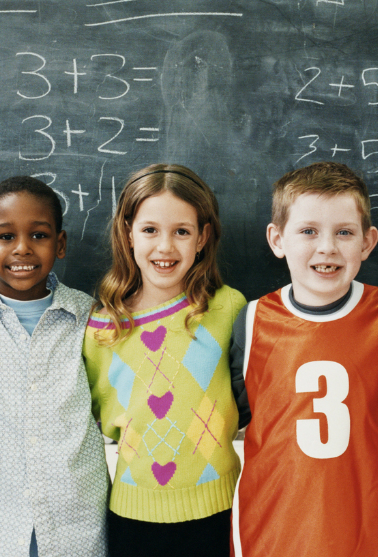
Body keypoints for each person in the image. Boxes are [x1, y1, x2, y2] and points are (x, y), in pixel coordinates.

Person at [229, 161, 378, 557]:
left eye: (344, 232)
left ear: (368, 242)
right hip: (272, 526)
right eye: (308, 231)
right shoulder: (251, 321)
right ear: (277, 239)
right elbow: (233, 413)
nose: (327, 247)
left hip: (363, 527)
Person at [0, 176, 108, 557]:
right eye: (5, 237)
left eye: (39, 236)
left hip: (74, 524)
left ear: (60, 244)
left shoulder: (89, 315)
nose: (22, 249)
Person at [83, 164, 246, 557]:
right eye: (150, 230)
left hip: (219, 510)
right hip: (132, 517)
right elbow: (96, 414)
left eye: (182, 232)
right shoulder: (102, 328)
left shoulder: (228, 309)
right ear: (128, 234)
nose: (165, 247)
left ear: (203, 237)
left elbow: (248, 403)